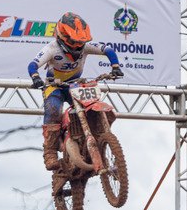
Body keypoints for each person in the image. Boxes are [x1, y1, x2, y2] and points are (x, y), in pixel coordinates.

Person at [27, 12, 123, 171]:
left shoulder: (85, 46)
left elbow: (108, 50)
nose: (77, 45)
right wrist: (36, 77)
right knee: (52, 110)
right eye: (73, 41)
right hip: (54, 85)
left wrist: (115, 67)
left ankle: (99, 141)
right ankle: (50, 152)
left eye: (80, 41)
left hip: (75, 85)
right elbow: (33, 64)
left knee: (92, 107)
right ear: (62, 37)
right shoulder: (52, 49)